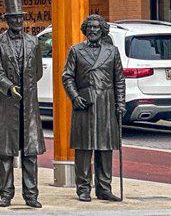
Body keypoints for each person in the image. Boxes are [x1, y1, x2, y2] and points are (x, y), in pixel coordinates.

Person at [0, 0, 43, 208]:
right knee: (6, 153)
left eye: (20, 17)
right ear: (7, 20)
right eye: (13, 18)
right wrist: (9, 87)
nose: (18, 21)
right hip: (7, 104)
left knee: (30, 153)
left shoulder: (33, 42)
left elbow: (37, 71)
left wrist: (26, 88)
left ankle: (31, 195)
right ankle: (6, 194)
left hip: (28, 105)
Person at [61, 14, 125, 202]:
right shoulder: (76, 50)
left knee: (105, 148)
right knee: (83, 148)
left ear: (103, 30)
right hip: (85, 103)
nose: (93, 30)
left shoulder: (112, 51)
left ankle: (104, 188)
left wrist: (121, 103)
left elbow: (119, 79)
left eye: (96, 27)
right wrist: (75, 97)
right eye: (89, 27)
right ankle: (83, 188)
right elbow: (67, 76)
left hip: (106, 103)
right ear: (85, 30)